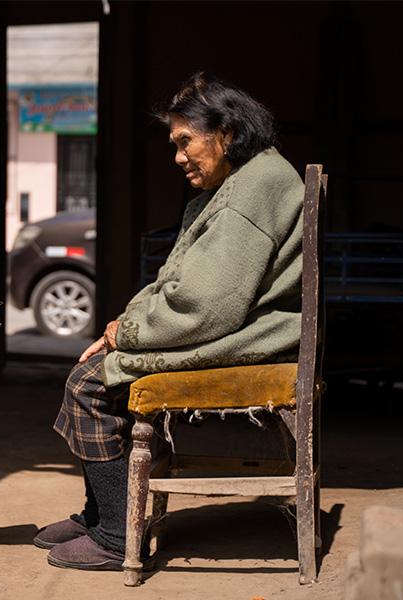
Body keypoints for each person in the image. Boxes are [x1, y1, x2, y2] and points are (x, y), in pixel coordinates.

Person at [36, 72, 306, 571]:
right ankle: (102, 515)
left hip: (249, 338)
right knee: (99, 367)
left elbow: (207, 306)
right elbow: (176, 280)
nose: (178, 157)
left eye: (186, 142)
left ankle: (116, 535)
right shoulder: (246, 180)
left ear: (225, 132)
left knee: (88, 384)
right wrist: (122, 323)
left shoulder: (256, 187)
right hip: (236, 328)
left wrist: (130, 333)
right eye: (174, 143)